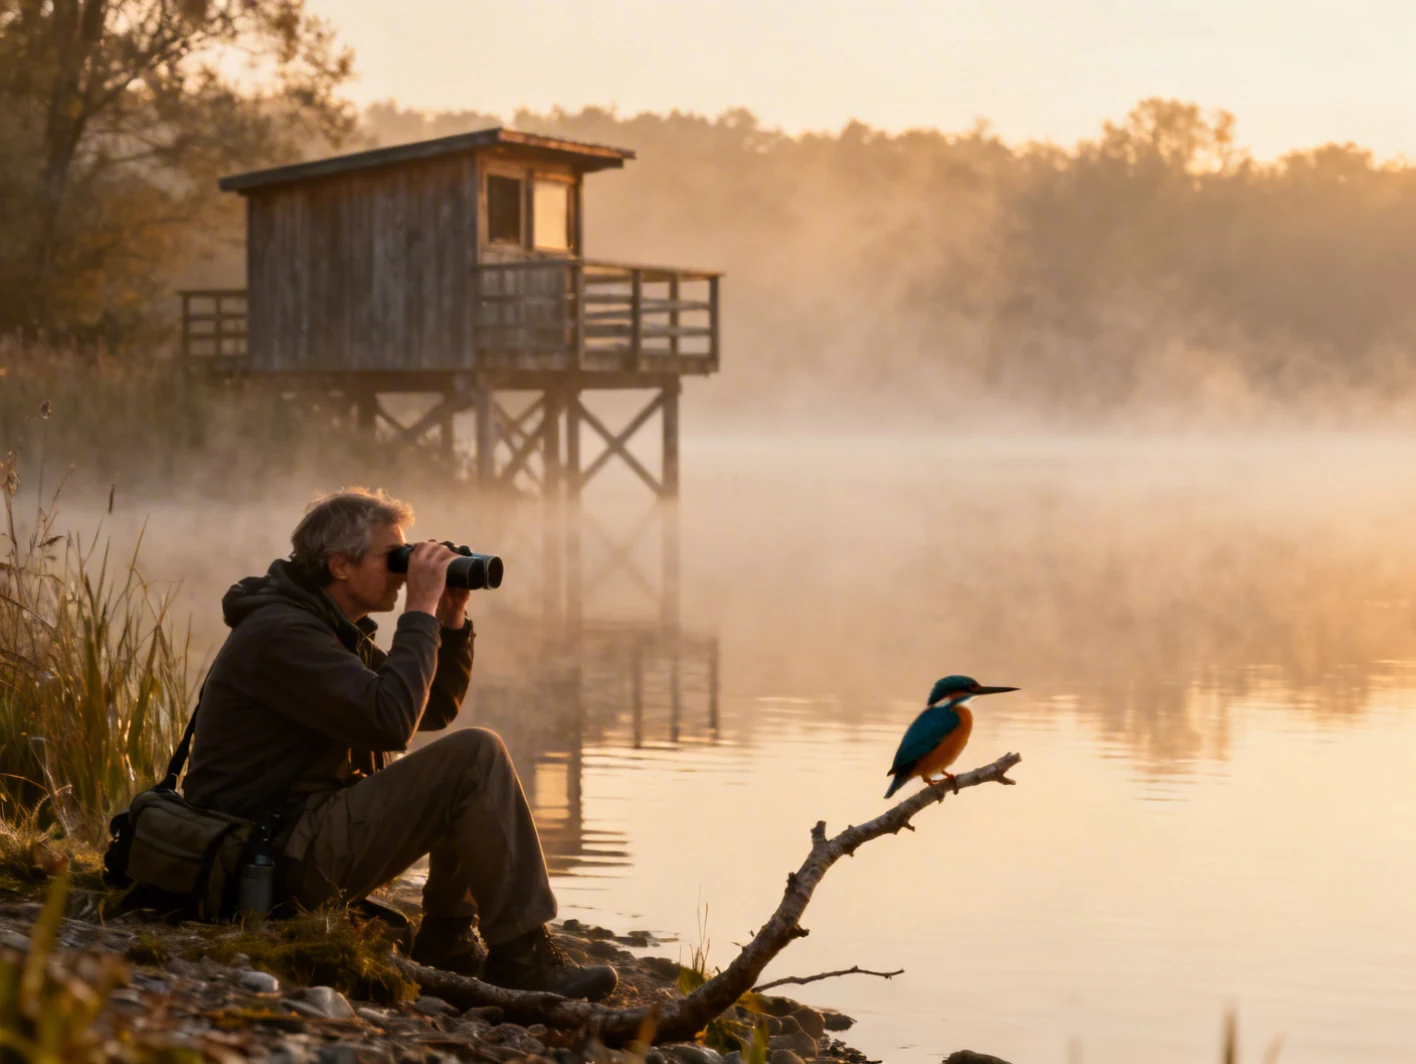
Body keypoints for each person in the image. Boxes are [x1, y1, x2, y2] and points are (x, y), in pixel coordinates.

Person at [181, 488, 616, 1001]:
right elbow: (391, 721)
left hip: (288, 842)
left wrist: (449, 619)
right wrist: (420, 609)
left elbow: (425, 710)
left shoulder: (321, 625)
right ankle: (523, 959)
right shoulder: (283, 634)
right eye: (395, 557)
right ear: (340, 565)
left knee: (463, 767)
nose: (405, 570)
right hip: (265, 864)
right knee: (474, 757)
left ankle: (448, 941)